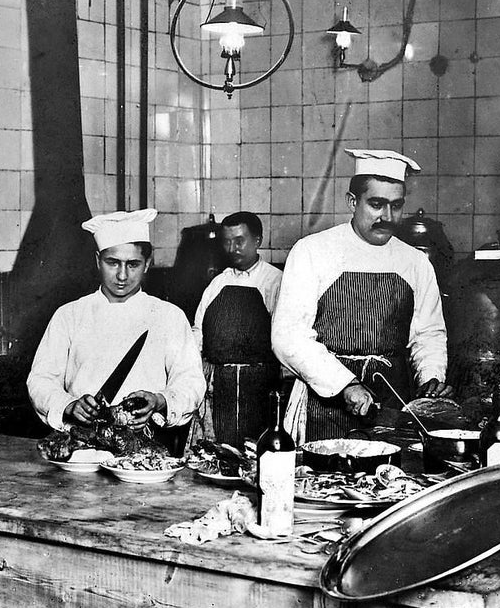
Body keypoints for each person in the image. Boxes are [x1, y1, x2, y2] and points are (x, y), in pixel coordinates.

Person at [271, 149, 452, 441]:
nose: (387, 217)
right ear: (352, 202)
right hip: (325, 402)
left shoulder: (416, 262)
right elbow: (288, 336)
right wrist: (345, 384)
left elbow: (428, 334)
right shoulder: (312, 251)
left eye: (396, 206)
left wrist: (431, 378)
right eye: (376, 204)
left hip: (393, 401)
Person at [27, 208, 206, 451]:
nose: (122, 275)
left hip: (145, 449)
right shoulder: (69, 315)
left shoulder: (168, 316)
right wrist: (68, 404)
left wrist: (160, 400)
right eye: (113, 263)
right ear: (97, 260)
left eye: (133, 264)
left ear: (147, 264)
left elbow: (191, 381)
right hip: (81, 448)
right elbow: (41, 379)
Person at [191, 211, 282, 445]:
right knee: (217, 450)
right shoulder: (217, 283)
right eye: (227, 242)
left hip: (259, 388)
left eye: (239, 241)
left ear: (257, 240)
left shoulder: (275, 281)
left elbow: (285, 339)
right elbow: (198, 332)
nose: (232, 249)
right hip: (218, 387)